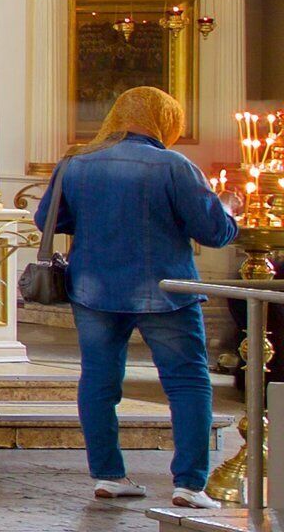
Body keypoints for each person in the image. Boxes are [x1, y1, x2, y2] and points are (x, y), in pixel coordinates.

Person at [41, 85, 239, 507]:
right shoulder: (173, 165)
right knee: (186, 382)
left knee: (98, 380)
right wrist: (228, 207)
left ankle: (109, 476)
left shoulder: (76, 163)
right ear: (164, 119)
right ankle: (189, 484)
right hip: (165, 291)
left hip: (93, 288)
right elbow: (214, 232)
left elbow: (48, 220)